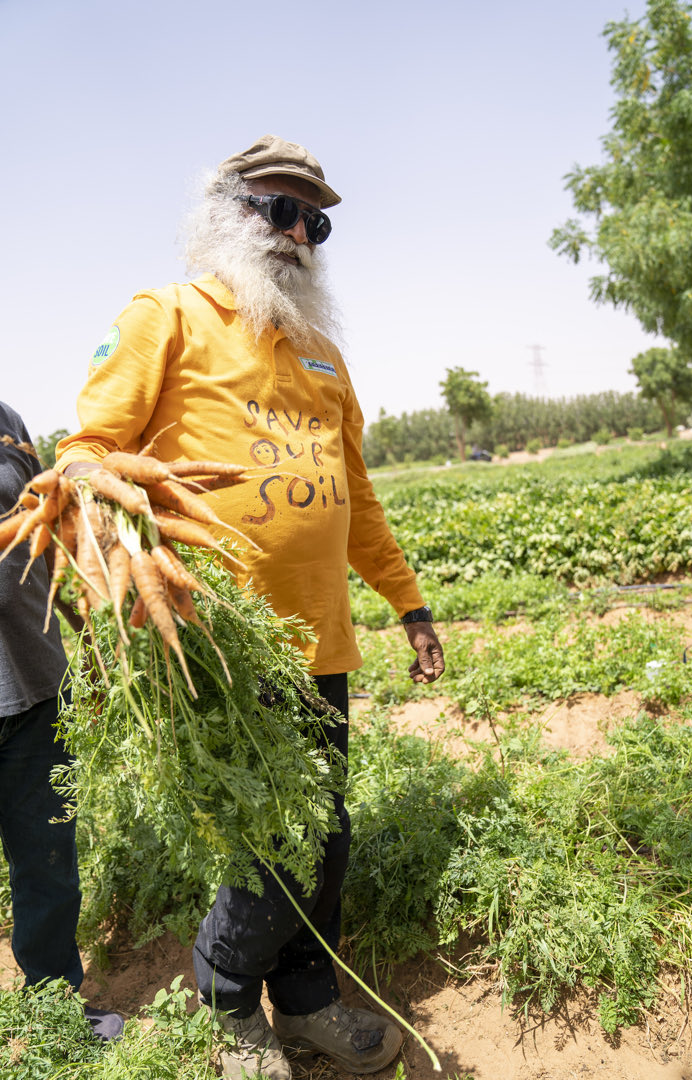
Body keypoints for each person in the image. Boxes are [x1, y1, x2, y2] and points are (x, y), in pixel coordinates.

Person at [55, 134, 445, 1079]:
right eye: (280, 210)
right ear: (228, 212)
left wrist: (410, 604)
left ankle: (308, 998)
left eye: (316, 221)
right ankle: (228, 999)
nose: (300, 234)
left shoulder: (323, 356)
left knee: (326, 832)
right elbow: (91, 446)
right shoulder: (167, 317)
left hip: (320, 641)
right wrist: (96, 499)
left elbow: (356, 497)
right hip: (222, 640)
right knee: (265, 836)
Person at [0, 401, 123, 1041]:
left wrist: (89, 626)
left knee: (47, 861)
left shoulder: (8, 421)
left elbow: (46, 534)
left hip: (36, 681)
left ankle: (54, 1011)